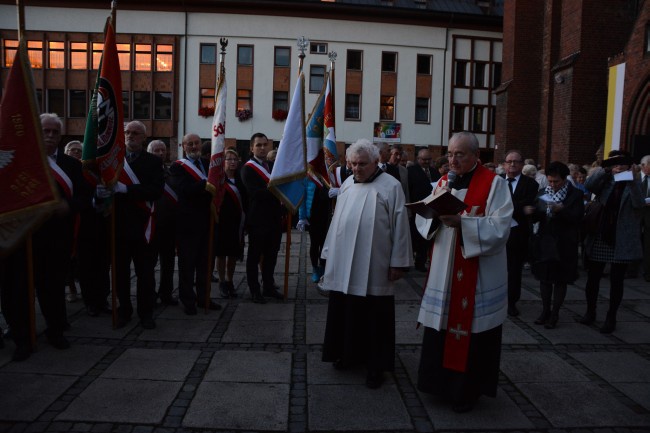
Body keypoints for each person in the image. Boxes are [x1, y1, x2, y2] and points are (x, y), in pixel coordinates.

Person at [415, 131, 513, 412]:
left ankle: (465, 392)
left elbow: (501, 227)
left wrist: (464, 224)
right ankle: (438, 385)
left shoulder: (494, 185)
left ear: (475, 156)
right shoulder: (444, 181)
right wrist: (430, 217)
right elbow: (426, 221)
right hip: (445, 270)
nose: (453, 160)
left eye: (460, 154)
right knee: (443, 327)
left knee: (470, 332)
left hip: (476, 274)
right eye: (449, 154)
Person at [320, 138, 412, 389]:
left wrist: (399, 262)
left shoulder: (391, 186)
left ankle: (376, 366)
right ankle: (346, 354)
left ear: (376, 162)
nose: (356, 169)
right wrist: (328, 252)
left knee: (375, 317)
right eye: (352, 164)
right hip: (344, 261)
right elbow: (337, 219)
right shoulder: (348, 183)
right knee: (346, 310)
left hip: (375, 265)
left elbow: (401, 227)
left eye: (361, 164)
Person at [1, 113, 89, 360]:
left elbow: (85, 198)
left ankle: (56, 331)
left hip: (56, 239)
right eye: (45, 131)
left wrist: (68, 206)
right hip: (23, 239)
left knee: (52, 288)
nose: (50, 136)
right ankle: (23, 338)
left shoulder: (72, 165)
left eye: (55, 132)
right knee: (19, 291)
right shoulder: (20, 163)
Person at [579, 150, 645, 333]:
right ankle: (590, 311)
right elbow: (590, 186)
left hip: (621, 238)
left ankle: (611, 317)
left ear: (628, 165)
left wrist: (632, 179)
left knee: (617, 281)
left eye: (621, 163)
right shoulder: (606, 181)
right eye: (615, 163)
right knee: (593, 278)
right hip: (601, 234)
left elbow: (639, 203)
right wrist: (604, 169)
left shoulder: (634, 182)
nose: (618, 167)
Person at [112, 121, 164, 329]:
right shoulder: (114, 160)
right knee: (120, 274)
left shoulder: (153, 162)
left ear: (144, 138)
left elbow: (155, 191)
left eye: (135, 133)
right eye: (127, 132)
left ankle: (146, 313)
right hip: (119, 226)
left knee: (145, 274)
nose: (130, 136)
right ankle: (124, 310)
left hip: (144, 227)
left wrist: (127, 190)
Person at [524, 162, 584, 328]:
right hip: (545, 242)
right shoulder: (543, 192)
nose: (552, 184)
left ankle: (555, 313)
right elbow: (538, 216)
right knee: (544, 279)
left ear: (565, 179)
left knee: (560, 280)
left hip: (565, 244)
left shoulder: (575, 194)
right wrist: (532, 212)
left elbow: (577, 218)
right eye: (550, 181)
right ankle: (545, 311)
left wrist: (562, 210)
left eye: (556, 181)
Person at [171, 133, 221, 314]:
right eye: (189, 144)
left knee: (205, 264)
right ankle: (188, 300)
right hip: (188, 224)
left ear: (201, 144)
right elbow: (185, 190)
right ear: (183, 147)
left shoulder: (209, 165)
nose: (194, 147)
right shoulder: (177, 167)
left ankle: (204, 298)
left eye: (196, 143)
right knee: (187, 265)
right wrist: (205, 183)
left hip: (207, 221)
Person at [241, 132, 284, 303]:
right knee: (254, 256)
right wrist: (276, 190)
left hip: (274, 218)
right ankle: (254, 290)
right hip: (258, 220)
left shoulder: (273, 166)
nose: (262, 148)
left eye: (265, 144)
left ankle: (268, 286)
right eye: (258, 145)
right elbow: (255, 193)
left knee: (271, 256)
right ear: (251, 148)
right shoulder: (247, 169)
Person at [504, 150, 538, 316]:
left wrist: (507, 207)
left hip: (517, 234)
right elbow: (495, 204)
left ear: (522, 165)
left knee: (514, 271)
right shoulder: (496, 182)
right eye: (509, 161)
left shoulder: (531, 184)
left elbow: (529, 205)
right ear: (504, 164)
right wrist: (518, 208)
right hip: (497, 231)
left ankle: (511, 302)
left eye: (516, 161)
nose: (512, 164)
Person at [147, 139, 178, 306]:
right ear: (149, 152)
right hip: (151, 225)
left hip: (169, 225)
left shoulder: (171, 172)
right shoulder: (145, 171)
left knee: (168, 262)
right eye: (156, 150)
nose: (160, 153)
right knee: (149, 264)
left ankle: (166, 293)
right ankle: (149, 294)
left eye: (162, 150)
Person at [215, 148, 248, 298]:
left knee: (234, 254)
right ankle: (222, 282)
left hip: (237, 222)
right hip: (221, 222)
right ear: (223, 162)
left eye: (235, 159)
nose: (233, 162)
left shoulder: (241, 178)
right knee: (221, 254)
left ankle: (230, 281)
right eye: (229, 159)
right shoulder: (218, 179)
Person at [407, 148, 436, 272]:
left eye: (429, 159)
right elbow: (408, 189)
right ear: (418, 159)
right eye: (424, 159)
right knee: (414, 238)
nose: (426, 162)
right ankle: (409, 262)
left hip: (431, 210)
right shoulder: (411, 171)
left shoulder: (434, 172)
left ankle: (421, 262)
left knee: (425, 239)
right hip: (416, 209)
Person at [640, 155, 650, 282]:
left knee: (648, 245)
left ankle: (647, 272)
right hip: (635, 215)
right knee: (634, 240)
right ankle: (630, 269)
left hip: (649, 216)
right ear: (643, 166)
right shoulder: (635, 178)